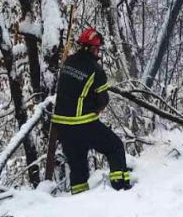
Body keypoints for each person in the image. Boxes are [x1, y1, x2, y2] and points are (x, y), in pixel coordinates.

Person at [53, 27, 131, 194]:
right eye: (98, 49)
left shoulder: (68, 62)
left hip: (62, 126)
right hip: (82, 124)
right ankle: (121, 187)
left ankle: (79, 200)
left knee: (78, 167)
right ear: (92, 48)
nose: (99, 52)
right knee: (115, 147)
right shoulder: (96, 70)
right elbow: (103, 99)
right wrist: (95, 109)